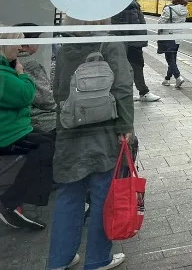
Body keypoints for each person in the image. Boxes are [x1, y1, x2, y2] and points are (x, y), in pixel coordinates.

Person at [47, 17, 133, 270]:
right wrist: (125, 126)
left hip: (70, 128)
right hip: (104, 130)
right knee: (102, 197)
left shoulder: (67, 46)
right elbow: (123, 88)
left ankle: (59, 260)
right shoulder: (110, 43)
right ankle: (97, 259)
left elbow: (58, 91)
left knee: (68, 194)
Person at [0, 29, 54, 230]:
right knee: (46, 148)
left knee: (48, 142)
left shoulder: (5, 68)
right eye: (17, 45)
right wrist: (22, 74)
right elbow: (26, 94)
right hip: (7, 134)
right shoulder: (4, 74)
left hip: (13, 128)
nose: (19, 49)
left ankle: (21, 199)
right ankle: (11, 202)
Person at [112, 0, 160, 102]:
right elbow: (127, 26)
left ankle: (132, 93)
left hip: (131, 42)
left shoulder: (130, 4)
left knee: (131, 67)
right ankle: (142, 92)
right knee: (135, 67)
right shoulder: (127, 5)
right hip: (130, 42)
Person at [14, 24, 57, 136]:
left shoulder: (10, 61)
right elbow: (45, 100)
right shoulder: (30, 64)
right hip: (37, 120)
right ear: (28, 43)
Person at [157, 0, 188, 88]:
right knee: (173, 58)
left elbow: (160, 23)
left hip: (168, 37)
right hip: (178, 38)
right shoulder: (184, 10)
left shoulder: (168, 9)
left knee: (169, 58)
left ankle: (178, 78)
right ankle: (167, 79)